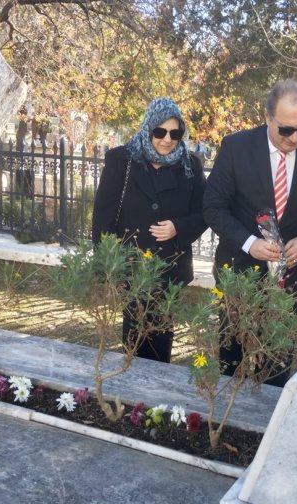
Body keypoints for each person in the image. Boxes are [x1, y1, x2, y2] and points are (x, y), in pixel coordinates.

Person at [203, 79, 297, 386]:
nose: (295, 138)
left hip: (289, 274)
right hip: (238, 270)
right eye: (286, 129)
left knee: (278, 357)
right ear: (268, 118)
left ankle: (269, 423)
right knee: (231, 353)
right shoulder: (236, 147)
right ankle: (229, 417)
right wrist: (249, 243)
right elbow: (213, 207)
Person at [92, 98, 207, 363]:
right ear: (148, 128)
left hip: (169, 266)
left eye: (175, 133)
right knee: (132, 338)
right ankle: (131, 395)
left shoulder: (191, 165)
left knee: (160, 338)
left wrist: (178, 227)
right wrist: (106, 265)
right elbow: (103, 214)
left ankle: (154, 400)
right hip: (130, 265)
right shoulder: (122, 160)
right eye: (160, 132)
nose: (167, 139)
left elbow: (206, 212)